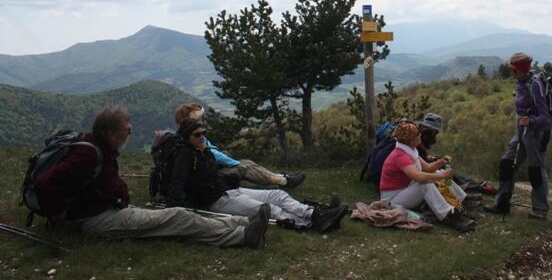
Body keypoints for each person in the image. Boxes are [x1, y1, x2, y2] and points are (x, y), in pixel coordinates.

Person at [33, 106, 270, 248]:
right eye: (127, 130)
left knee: (177, 216)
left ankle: (242, 223)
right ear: (112, 134)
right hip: (96, 220)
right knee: (178, 218)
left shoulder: (98, 148)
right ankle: (242, 236)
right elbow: (44, 184)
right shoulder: (88, 153)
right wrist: (59, 215)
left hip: (108, 211)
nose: (130, 133)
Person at [167, 120, 347, 233]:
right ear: (187, 137)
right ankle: (312, 223)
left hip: (230, 191)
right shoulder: (185, 155)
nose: (202, 137)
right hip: (216, 201)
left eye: (204, 133)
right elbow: (178, 181)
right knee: (269, 209)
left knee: (278, 195)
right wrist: (174, 208)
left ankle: (315, 213)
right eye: (197, 135)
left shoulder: (203, 151)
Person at [174, 103, 305, 189]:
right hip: (208, 178)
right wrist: (235, 163)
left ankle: (282, 178)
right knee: (243, 167)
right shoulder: (194, 137)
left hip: (208, 173)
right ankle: (284, 181)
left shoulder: (189, 134)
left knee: (247, 163)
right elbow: (215, 155)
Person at [484, 52, 550, 219]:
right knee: (506, 164)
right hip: (520, 134)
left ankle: (540, 210)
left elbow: (544, 116)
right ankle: (501, 205)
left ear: (521, 69)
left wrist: (531, 121)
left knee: (536, 170)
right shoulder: (522, 82)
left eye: (513, 70)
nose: (511, 73)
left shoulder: (535, 85)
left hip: (536, 135)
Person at [379, 122, 475, 233]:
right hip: (392, 199)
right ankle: (449, 215)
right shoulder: (400, 156)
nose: (420, 135)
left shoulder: (410, 150)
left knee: (437, 174)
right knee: (426, 184)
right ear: (410, 139)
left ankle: (462, 200)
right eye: (417, 134)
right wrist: (443, 175)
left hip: (403, 191)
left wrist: (442, 162)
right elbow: (418, 177)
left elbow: (428, 168)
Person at [416, 113, 490, 196]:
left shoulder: (420, 141)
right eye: (434, 132)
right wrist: (440, 162)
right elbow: (424, 167)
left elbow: (421, 158)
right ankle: (465, 185)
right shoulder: (415, 142)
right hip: (420, 177)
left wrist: (433, 159)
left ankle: (467, 183)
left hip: (424, 170)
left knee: (444, 166)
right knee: (443, 169)